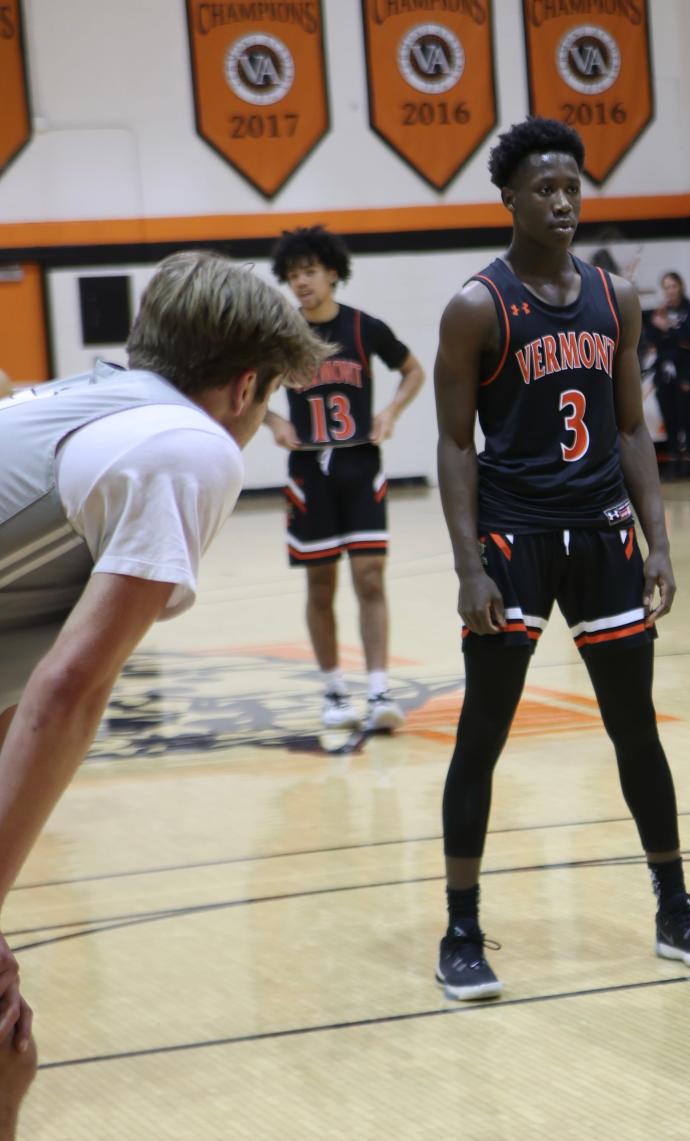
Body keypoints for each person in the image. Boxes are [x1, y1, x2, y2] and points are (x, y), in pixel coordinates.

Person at [0, 251, 327, 1133]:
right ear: (245, 386)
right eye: (266, 405)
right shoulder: (190, 448)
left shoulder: (76, 402)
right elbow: (68, 691)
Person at [432, 117, 690, 1001]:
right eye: (544, 189)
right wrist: (468, 566)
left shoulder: (618, 299)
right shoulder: (476, 306)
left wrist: (661, 541)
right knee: (481, 735)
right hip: (514, 538)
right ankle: (460, 928)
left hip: (604, 535)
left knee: (634, 726)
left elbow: (633, 425)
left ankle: (675, 908)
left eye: (572, 187)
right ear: (510, 200)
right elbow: (454, 446)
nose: (562, 201)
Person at [265, 227, 426, 730]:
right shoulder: (282, 335)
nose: (301, 283)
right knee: (321, 584)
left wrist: (391, 413)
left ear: (332, 272)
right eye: (293, 276)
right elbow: (244, 390)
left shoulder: (363, 329)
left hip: (359, 465)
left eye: (309, 272)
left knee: (370, 577)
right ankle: (334, 690)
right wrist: (274, 422)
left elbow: (414, 370)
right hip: (309, 471)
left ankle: (379, 692)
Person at [649, 271, 690, 479]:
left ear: (681, 286)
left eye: (673, 286)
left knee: (684, 417)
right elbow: (654, 341)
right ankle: (674, 460)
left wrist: (669, 330)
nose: (670, 290)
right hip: (664, 372)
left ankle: (688, 461)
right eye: (667, 287)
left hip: (684, 371)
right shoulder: (660, 312)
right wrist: (665, 332)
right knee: (669, 418)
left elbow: (689, 337)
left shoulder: (689, 311)